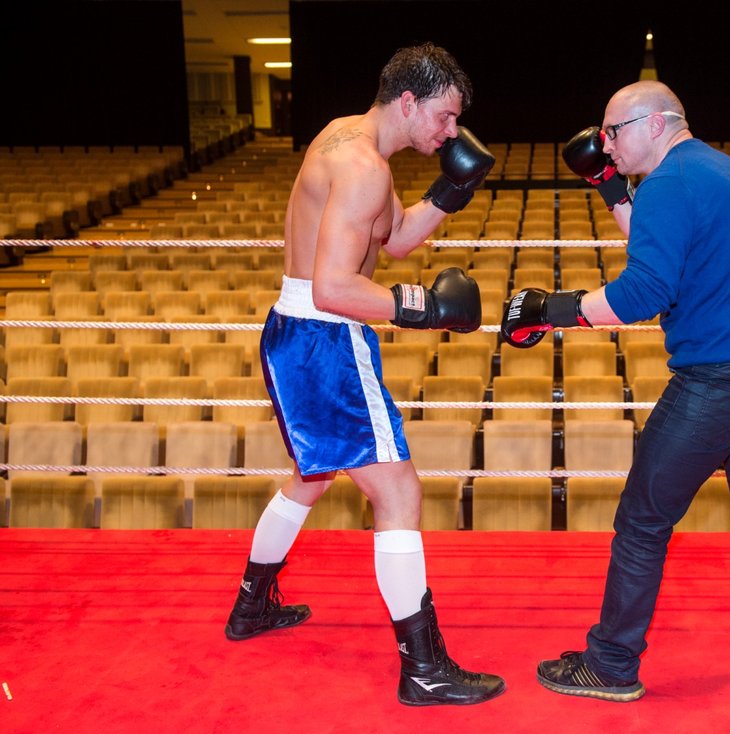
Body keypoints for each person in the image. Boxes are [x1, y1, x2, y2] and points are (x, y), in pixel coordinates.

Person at [501, 80, 730, 702]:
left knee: (643, 520)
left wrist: (553, 307)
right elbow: (664, 251)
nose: (604, 143)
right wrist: (605, 186)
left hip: (719, 382)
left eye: (612, 132)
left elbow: (645, 293)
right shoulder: (715, 169)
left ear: (653, 124)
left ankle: (612, 664)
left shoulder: (670, 185)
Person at [224, 43, 505, 707]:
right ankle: (425, 669)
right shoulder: (362, 166)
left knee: (312, 476)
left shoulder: (347, 141)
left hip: (296, 336)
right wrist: (425, 308)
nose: (449, 133)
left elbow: (396, 238)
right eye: (444, 117)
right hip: (323, 338)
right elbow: (332, 287)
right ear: (409, 101)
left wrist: (451, 191)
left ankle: (249, 607)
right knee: (400, 492)